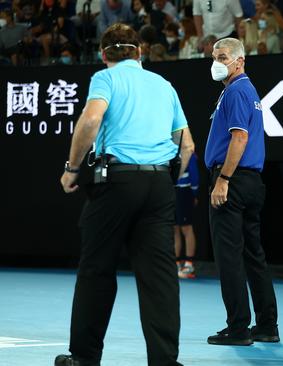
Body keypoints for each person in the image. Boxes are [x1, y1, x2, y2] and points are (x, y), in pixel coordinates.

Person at [57, 23, 195, 366]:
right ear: (140, 51)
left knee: (96, 270)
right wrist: (166, 176)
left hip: (116, 183)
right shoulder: (164, 85)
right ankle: (165, 361)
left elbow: (90, 121)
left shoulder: (107, 78)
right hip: (160, 185)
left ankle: (84, 358)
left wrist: (73, 168)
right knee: (160, 277)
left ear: (104, 55)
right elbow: (188, 144)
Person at [204, 37, 279, 347]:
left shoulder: (236, 90)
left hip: (233, 181)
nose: (217, 62)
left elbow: (239, 139)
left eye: (223, 57)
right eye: (214, 57)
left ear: (239, 61)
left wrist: (223, 179)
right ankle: (266, 326)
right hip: (249, 182)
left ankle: (238, 328)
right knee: (252, 256)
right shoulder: (243, 90)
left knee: (229, 257)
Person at [175, 152, 200, 279]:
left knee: (186, 227)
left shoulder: (188, 150)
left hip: (185, 191)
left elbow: (194, 174)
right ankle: (176, 264)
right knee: (174, 228)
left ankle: (189, 265)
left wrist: (194, 192)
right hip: (171, 190)